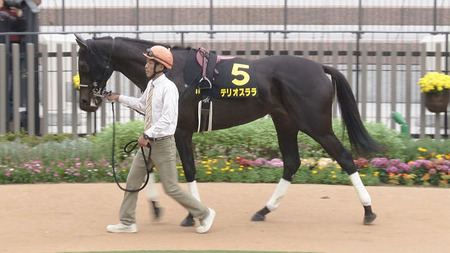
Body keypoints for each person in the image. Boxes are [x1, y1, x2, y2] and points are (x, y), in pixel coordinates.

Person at [105, 45, 215, 234]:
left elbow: (168, 119)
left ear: (160, 66)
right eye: (147, 61)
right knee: (132, 182)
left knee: (171, 188)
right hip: (148, 144)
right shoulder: (152, 85)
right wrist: (118, 97)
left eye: (150, 62)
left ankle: (205, 213)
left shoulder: (169, 88)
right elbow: (141, 105)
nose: (146, 65)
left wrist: (147, 134)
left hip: (162, 144)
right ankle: (127, 222)